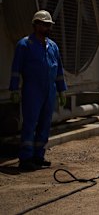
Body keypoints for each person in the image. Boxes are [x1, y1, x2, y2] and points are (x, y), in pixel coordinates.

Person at [9, 10, 67, 171]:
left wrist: (62, 90)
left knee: (45, 124)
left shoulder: (53, 46)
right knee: (29, 123)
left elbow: (59, 70)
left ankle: (38, 156)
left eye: (49, 25)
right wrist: (14, 89)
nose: (48, 27)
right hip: (32, 90)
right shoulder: (24, 45)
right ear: (36, 25)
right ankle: (26, 158)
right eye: (45, 24)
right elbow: (16, 69)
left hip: (50, 90)